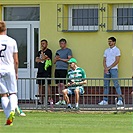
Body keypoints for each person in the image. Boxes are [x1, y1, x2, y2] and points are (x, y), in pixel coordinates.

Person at [0, 21, 19, 125]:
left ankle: (9, 118)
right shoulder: (12, 41)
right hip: (9, 69)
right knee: (13, 92)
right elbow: (16, 60)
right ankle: (12, 110)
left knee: (3, 95)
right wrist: (16, 72)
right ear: (5, 29)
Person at [98, 37, 123, 106]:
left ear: (114, 42)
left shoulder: (117, 50)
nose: (109, 43)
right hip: (107, 69)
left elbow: (117, 60)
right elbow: (104, 60)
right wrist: (105, 68)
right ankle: (105, 100)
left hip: (114, 69)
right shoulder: (106, 50)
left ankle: (120, 99)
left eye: (111, 41)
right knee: (106, 85)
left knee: (116, 84)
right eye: (108, 41)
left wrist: (109, 67)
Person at [54, 38, 72, 105]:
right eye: (60, 43)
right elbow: (54, 62)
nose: (61, 45)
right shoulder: (58, 51)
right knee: (58, 85)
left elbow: (69, 60)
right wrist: (56, 59)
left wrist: (60, 59)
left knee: (62, 84)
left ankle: (64, 99)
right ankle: (60, 99)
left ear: (65, 44)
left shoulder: (68, 50)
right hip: (57, 69)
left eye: (62, 43)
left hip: (63, 69)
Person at [35, 39, 52, 105]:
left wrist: (42, 56)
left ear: (46, 44)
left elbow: (46, 57)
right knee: (40, 85)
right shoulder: (39, 52)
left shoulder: (49, 51)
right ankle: (40, 100)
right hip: (40, 70)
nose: (42, 45)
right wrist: (42, 58)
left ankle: (49, 99)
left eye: (44, 43)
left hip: (46, 70)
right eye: (41, 43)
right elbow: (36, 60)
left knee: (47, 85)